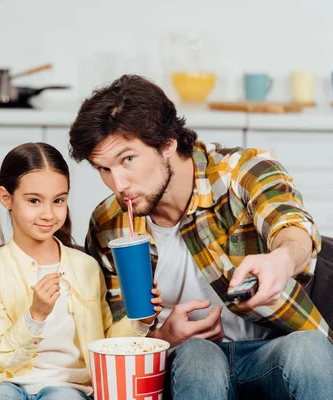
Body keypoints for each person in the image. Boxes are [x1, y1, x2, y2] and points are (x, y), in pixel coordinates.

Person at [68, 74, 333, 399]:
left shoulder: (239, 172)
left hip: (269, 351)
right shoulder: (109, 223)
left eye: (128, 159)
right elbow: (116, 334)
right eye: (103, 169)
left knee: (309, 346)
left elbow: (292, 226)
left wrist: (280, 261)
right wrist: (164, 337)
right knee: (198, 354)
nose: (118, 183)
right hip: (181, 363)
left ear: (168, 143)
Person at [0, 142, 163, 400]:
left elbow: (103, 342)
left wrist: (140, 321)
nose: (48, 214)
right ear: (7, 199)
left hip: (69, 386)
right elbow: (0, 357)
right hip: (3, 381)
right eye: (34, 200)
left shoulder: (86, 267)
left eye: (58, 200)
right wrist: (35, 316)